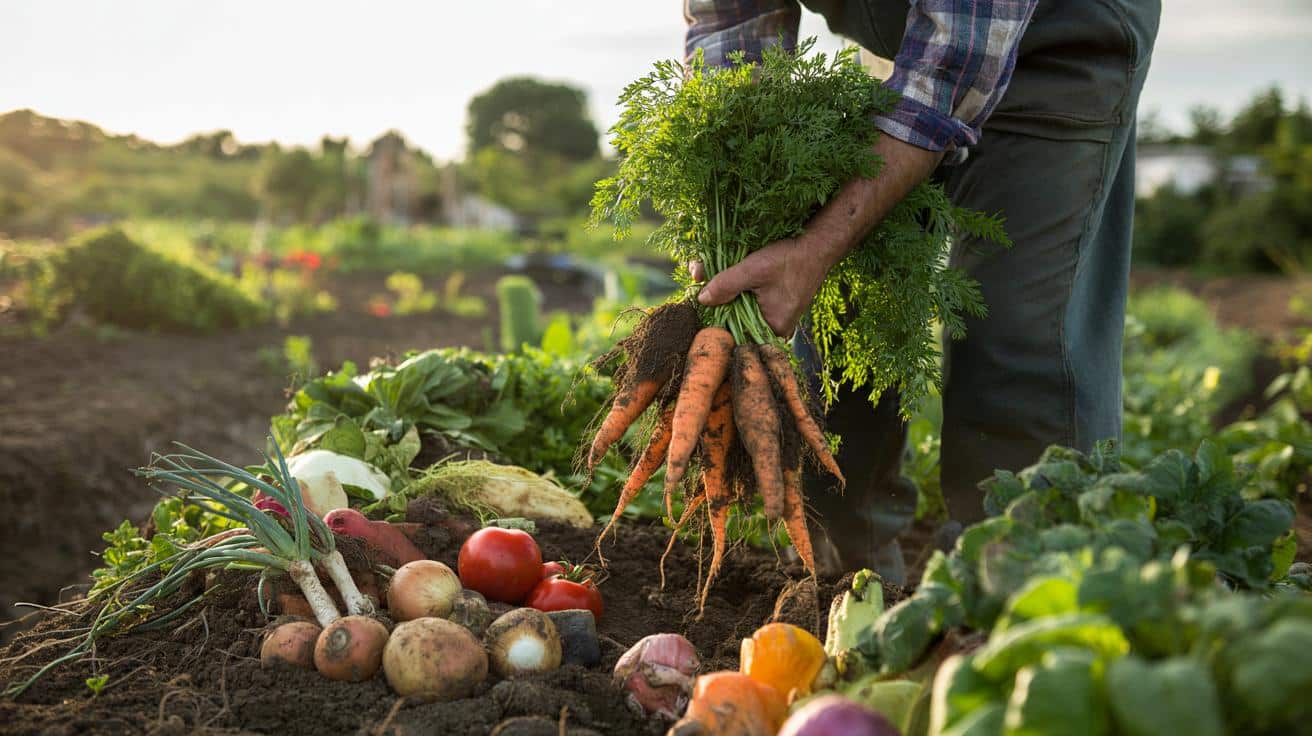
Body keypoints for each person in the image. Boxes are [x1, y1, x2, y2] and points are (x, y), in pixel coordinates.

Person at [684, 0, 1161, 583]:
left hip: (1055, 47)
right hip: (902, 50)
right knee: (845, 329)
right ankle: (844, 579)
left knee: (1016, 343)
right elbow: (733, 21)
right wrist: (738, 201)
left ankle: (1027, 593)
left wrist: (816, 246)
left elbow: (956, 54)